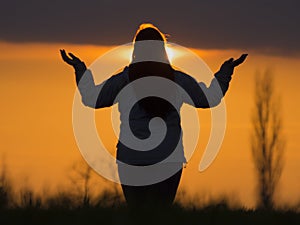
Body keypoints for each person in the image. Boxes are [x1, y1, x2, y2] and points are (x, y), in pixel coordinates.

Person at [60, 23, 247, 207]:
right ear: (162, 51)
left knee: (138, 216)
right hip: (168, 160)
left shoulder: (124, 80)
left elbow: (93, 98)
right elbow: (209, 98)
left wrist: (80, 69)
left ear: (136, 51)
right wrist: (225, 73)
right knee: (161, 216)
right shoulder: (177, 80)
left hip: (131, 161)